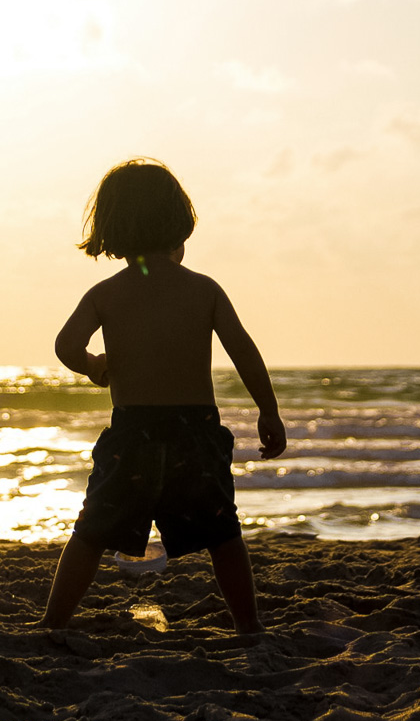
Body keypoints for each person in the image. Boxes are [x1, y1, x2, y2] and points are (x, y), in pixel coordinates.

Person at [42, 159, 286, 634]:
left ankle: (54, 621)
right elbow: (244, 352)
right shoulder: (203, 290)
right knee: (222, 533)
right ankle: (249, 626)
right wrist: (268, 410)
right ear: (179, 221)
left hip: (132, 432)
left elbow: (66, 346)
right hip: (194, 433)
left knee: (91, 532)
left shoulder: (106, 294)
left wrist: (94, 366)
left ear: (111, 226)